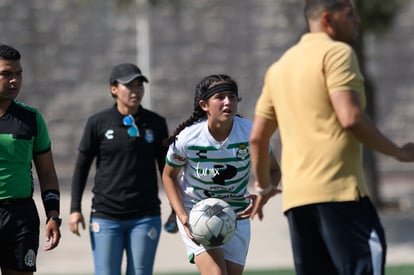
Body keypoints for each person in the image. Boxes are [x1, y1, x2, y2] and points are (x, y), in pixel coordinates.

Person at [249, 1, 414, 274]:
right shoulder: (337, 53)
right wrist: (399, 152)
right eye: (349, 14)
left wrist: (264, 188)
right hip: (340, 194)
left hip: (297, 202)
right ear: (328, 19)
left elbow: (257, 138)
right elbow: (350, 118)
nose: (357, 21)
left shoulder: (278, 68)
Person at [162, 74, 280, 275]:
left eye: (232, 97)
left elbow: (274, 170)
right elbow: (169, 176)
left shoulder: (251, 135)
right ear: (204, 105)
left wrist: (262, 195)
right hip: (197, 213)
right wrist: (182, 216)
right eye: (220, 97)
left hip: (235, 216)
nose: (228, 102)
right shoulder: (188, 138)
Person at [69, 63, 169, 275]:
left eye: (139, 85)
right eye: (129, 86)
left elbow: (166, 170)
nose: (136, 91)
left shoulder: (156, 123)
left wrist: (177, 209)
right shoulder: (98, 122)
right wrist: (75, 209)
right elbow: (82, 166)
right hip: (106, 216)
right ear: (113, 89)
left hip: (145, 215)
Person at [0, 44, 62, 275]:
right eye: (6, 74)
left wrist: (53, 215)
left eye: (18, 73)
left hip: (20, 216)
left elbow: (47, 173)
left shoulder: (31, 118)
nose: (14, 80)